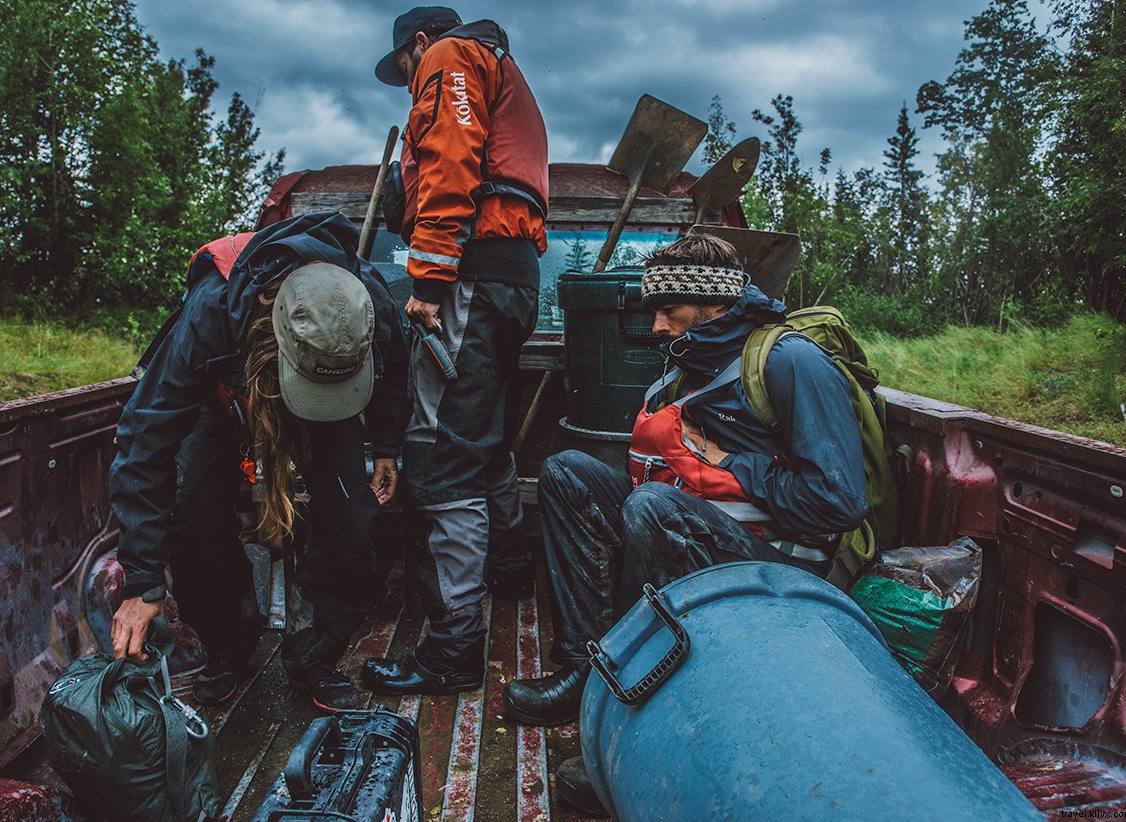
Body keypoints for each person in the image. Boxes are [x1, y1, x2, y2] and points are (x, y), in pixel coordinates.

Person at [502, 233, 871, 815]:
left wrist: (732, 465)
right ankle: (586, 669)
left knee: (653, 509)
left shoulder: (789, 363)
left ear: (713, 304)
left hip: (777, 561)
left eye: (667, 309)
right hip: (693, 533)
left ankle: (634, 716)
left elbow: (840, 501)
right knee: (567, 472)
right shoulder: (690, 368)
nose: (655, 326)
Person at [109, 212, 409, 712]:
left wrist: (385, 446)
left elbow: (395, 368)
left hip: (326, 383)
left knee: (351, 518)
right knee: (192, 514)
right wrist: (141, 582)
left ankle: (313, 659)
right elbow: (145, 438)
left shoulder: (367, 299)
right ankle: (228, 646)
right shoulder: (211, 313)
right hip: (224, 386)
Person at [362, 6, 550, 695]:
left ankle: (452, 650)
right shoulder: (502, 70)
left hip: (469, 275)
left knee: (441, 462)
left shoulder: (449, 57)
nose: (410, 83)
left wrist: (429, 278)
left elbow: (447, 164)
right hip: (511, 278)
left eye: (405, 71)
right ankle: (509, 570)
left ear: (418, 44)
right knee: (483, 440)